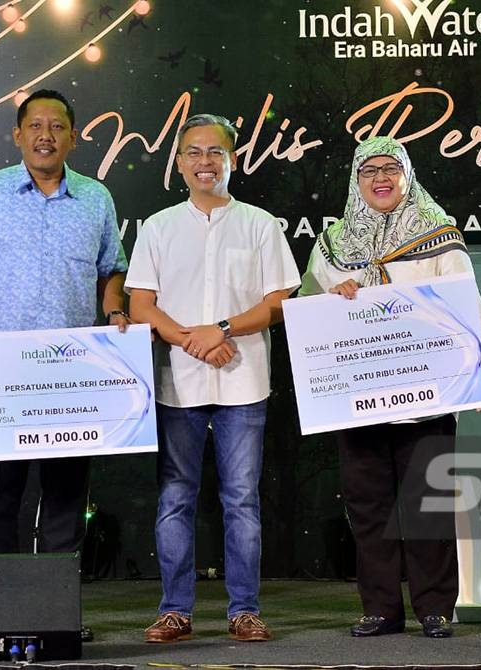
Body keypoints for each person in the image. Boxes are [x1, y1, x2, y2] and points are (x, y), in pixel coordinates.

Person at [300, 136, 481, 639]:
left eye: (391, 168)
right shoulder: (331, 247)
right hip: (357, 398)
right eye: (370, 171)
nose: (381, 178)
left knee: (428, 502)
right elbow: (305, 314)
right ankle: (382, 609)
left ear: (407, 175)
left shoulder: (438, 235)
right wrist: (333, 293)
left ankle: (435, 607)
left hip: (428, 397)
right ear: (356, 180)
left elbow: (467, 307)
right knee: (368, 505)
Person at [126, 114, 300, 643]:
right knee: (175, 496)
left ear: (233, 159)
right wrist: (190, 339)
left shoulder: (261, 224)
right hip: (178, 382)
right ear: (179, 162)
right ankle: (174, 609)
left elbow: (278, 302)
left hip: (244, 381)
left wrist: (220, 328)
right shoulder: (157, 227)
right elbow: (140, 305)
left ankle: (243, 609)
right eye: (195, 152)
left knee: (241, 499)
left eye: (216, 152)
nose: (206, 162)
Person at [0, 90, 128, 567]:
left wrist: (114, 312)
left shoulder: (96, 198)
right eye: (36, 126)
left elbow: (111, 268)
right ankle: (1, 601)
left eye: (58, 127)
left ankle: (57, 602)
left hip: (72, 366)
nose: (46, 136)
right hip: (2, 367)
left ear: (73, 138)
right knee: (0, 493)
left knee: (66, 493)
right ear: (18, 135)